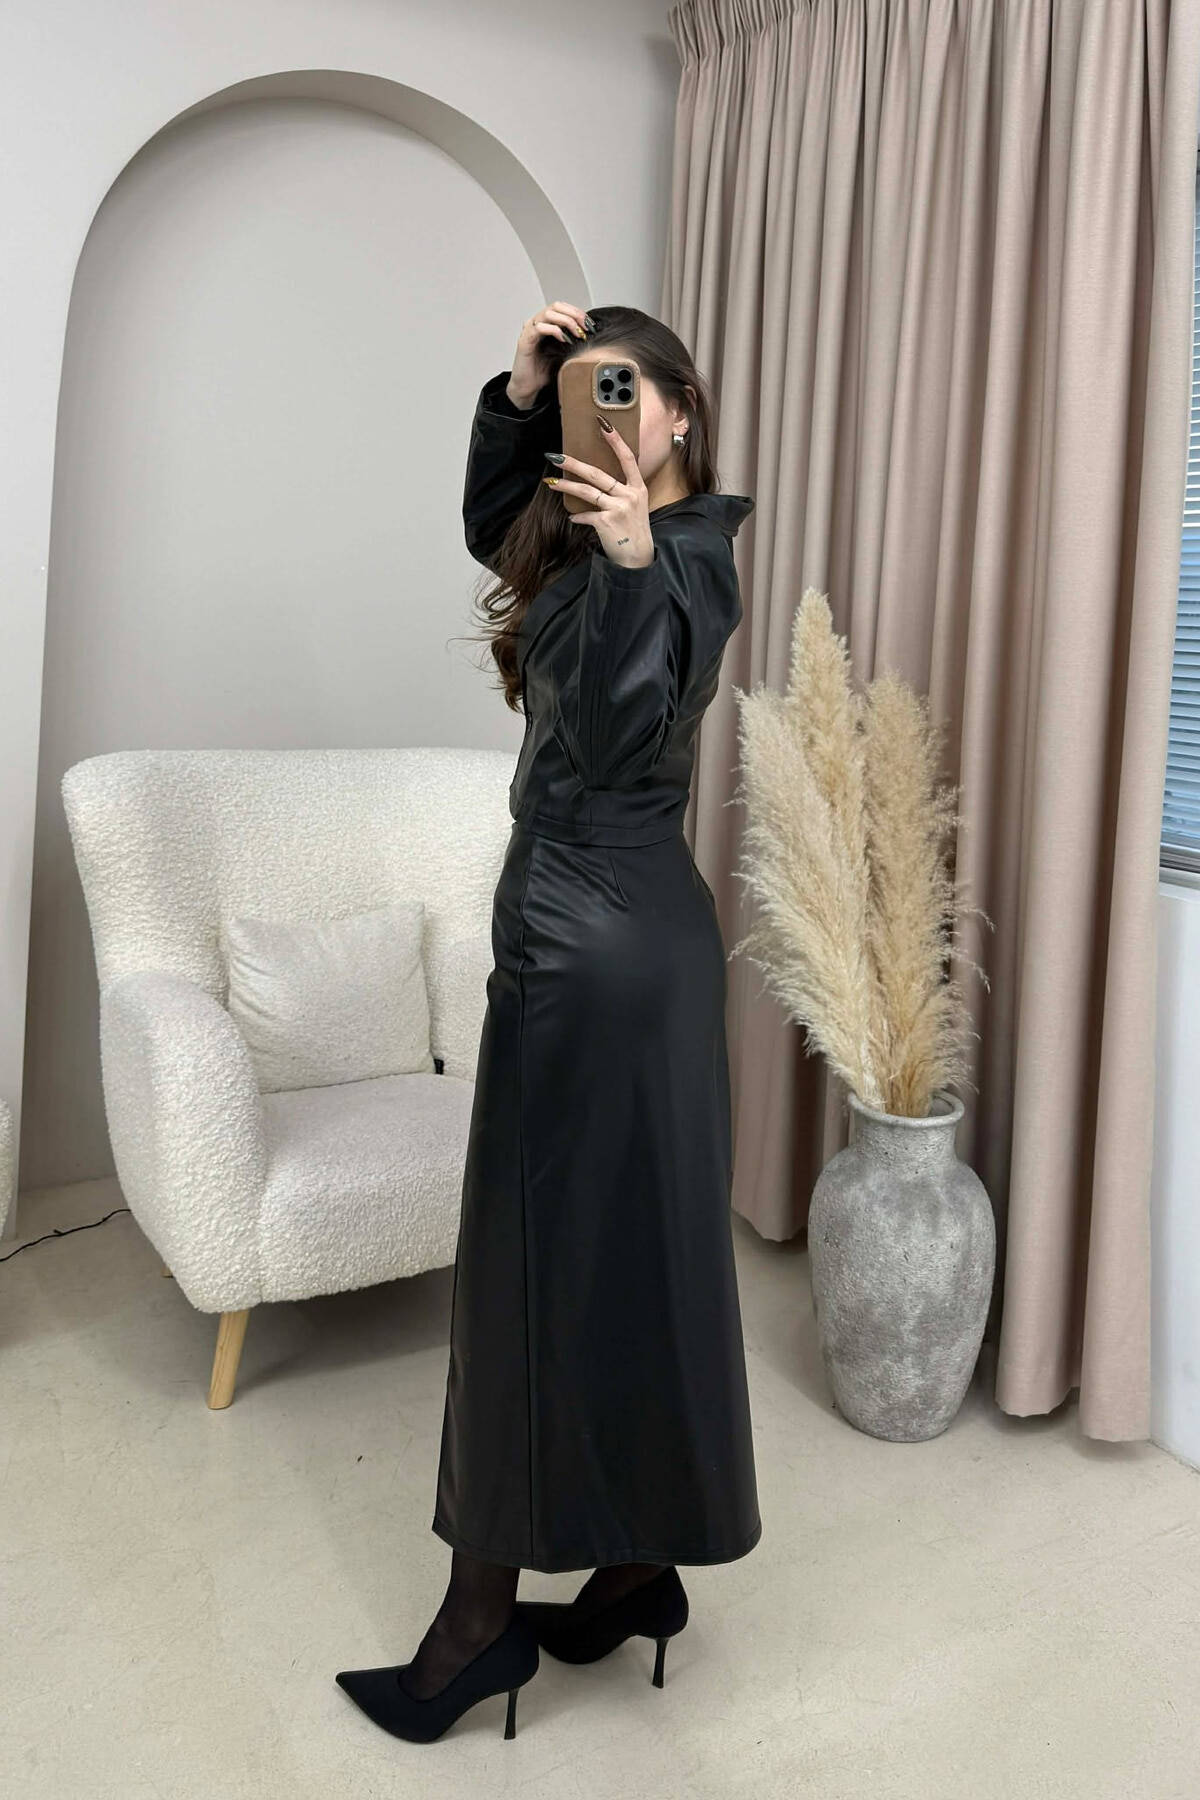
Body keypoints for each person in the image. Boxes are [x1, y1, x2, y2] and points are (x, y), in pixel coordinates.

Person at [336, 303, 761, 1744]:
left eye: (627, 394)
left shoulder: (685, 558)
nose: (610, 416)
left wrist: (634, 568)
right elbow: (492, 531)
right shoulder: (590, 524)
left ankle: (475, 1629)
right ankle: (637, 1567)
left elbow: (618, 735)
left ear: (682, 411)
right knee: (629, 1256)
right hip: (630, 940)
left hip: (590, 948)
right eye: (589, 394)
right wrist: (519, 404)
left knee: (524, 1270)